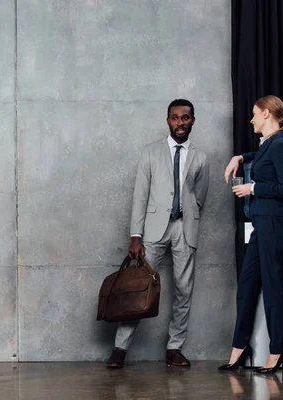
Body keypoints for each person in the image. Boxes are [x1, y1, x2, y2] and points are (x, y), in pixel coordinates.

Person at [106, 99, 210, 369]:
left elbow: (199, 198)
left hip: (185, 230)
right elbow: (140, 195)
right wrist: (135, 235)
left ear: (192, 121)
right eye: (175, 118)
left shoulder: (200, 158)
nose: (180, 123)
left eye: (185, 118)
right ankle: (120, 349)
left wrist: (186, 214)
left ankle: (174, 348)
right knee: (138, 287)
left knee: (184, 291)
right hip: (152, 231)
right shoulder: (150, 152)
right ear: (168, 121)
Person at [220, 95, 283, 373]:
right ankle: (239, 348)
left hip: (274, 226)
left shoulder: (281, 146)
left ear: (266, 114)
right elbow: (259, 157)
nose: (251, 119)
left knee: (273, 289)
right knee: (247, 285)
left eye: (254, 114)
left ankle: (276, 352)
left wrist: (252, 188)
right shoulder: (269, 144)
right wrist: (239, 156)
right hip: (261, 225)